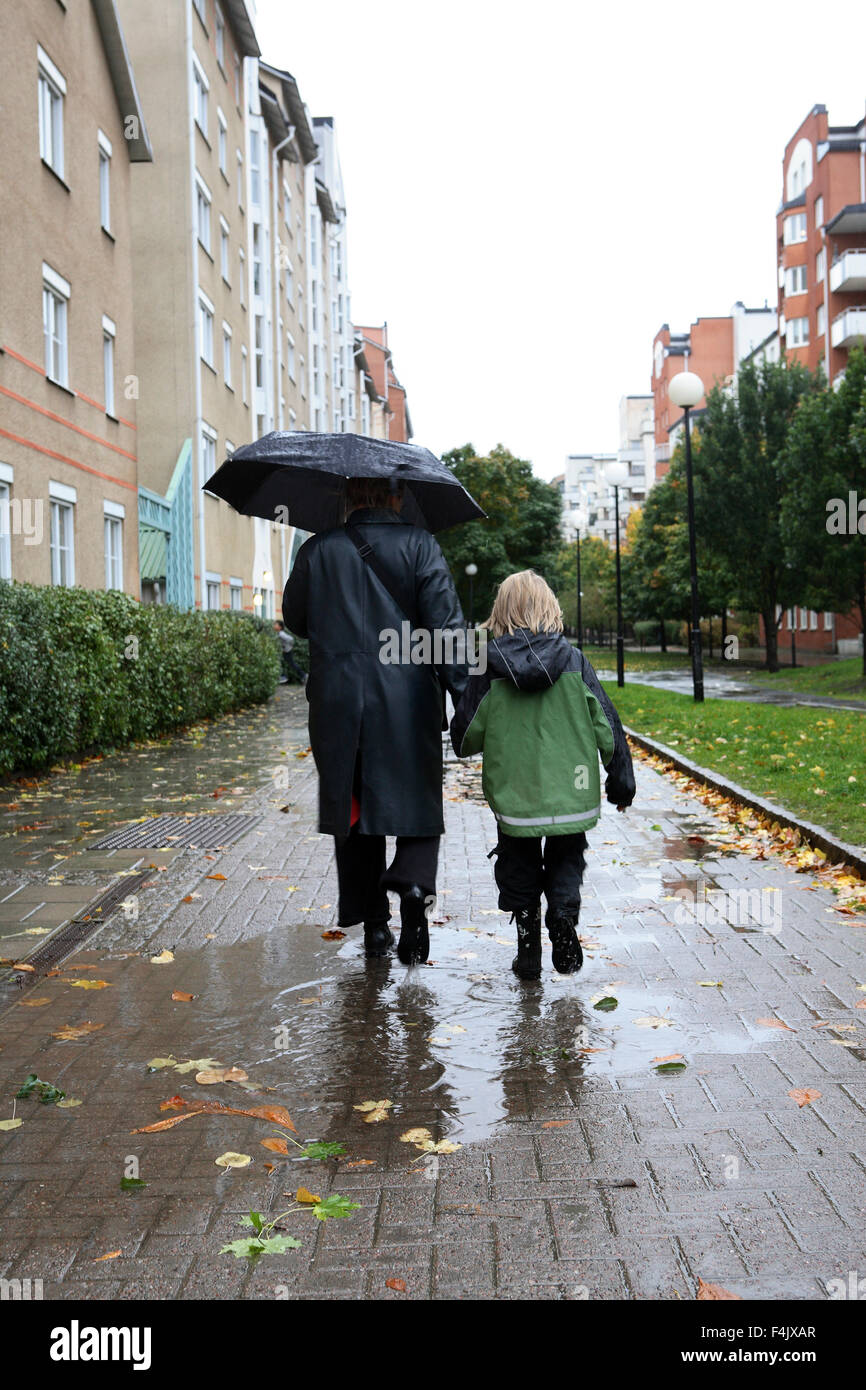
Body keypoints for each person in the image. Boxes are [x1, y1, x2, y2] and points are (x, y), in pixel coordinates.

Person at [282, 477, 468, 963]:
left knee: (355, 812)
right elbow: (446, 631)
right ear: (397, 497)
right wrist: (465, 700)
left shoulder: (317, 549)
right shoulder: (421, 545)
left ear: (346, 498)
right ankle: (411, 886)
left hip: (337, 704)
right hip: (408, 703)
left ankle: (376, 927)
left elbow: (295, 619)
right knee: (419, 805)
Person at [450, 570, 635, 981]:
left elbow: (464, 736)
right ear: (550, 608)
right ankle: (564, 919)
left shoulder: (488, 669)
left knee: (518, 866)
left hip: (516, 798)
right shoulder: (575, 662)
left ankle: (529, 951)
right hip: (573, 791)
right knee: (567, 859)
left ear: (501, 613)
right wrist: (620, 782)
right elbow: (607, 724)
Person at [274, 620, 306, 684]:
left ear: (280, 627)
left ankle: (303, 675)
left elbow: (290, 639)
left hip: (287, 652)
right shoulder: (279, 633)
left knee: (290, 664)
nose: (274, 626)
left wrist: (288, 647)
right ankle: (284, 677)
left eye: (276, 624)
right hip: (285, 651)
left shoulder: (281, 634)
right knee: (285, 663)